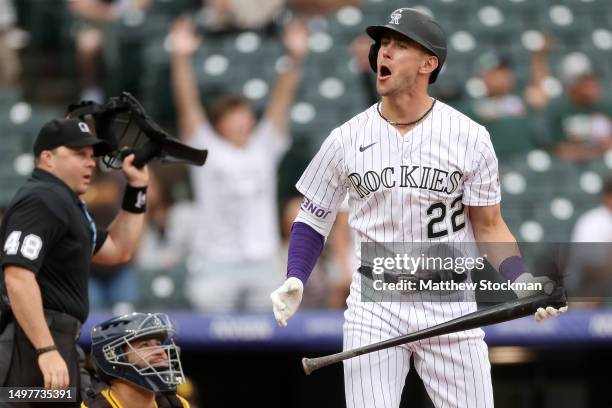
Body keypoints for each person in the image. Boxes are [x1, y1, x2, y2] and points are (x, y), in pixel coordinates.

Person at [270, 8, 567, 408]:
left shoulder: (469, 136)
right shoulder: (345, 138)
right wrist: (296, 276)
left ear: (429, 63)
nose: (384, 53)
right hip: (375, 307)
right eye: (383, 45)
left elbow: (490, 226)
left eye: (399, 45)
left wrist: (522, 278)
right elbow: (313, 216)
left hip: (450, 302)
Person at [0, 117, 149, 406]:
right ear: (47, 158)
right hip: (30, 345)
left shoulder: (65, 203)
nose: (90, 162)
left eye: (91, 155)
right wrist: (45, 349)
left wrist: (137, 189)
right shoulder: (42, 198)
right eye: (79, 154)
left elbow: (119, 250)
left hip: (55, 339)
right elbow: (18, 276)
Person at [170, 16, 308, 311]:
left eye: (245, 115)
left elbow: (281, 101)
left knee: (270, 341)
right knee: (209, 344)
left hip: (262, 261)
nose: (241, 122)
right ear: (219, 124)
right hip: (214, 262)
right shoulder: (206, 149)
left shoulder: (264, 146)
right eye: (232, 117)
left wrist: (294, 57)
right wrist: (181, 57)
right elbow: (188, 105)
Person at [82, 312, 188, 408]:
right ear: (114, 356)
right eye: (145, 345)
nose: (160, 351)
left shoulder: (177, 404)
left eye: (159, 344)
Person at [548, 52, 612, 161]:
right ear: (571, 84)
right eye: (585, 80)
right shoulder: (558, 112)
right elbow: (560, 151)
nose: (592, 84)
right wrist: (597, 150)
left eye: (592, 78)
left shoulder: (606, 108)